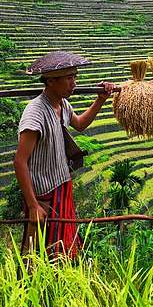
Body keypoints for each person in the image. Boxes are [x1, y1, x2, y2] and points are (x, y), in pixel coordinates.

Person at [13, 51, 115, 257]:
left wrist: (100, 100)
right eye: (69, 78)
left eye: (75, 77)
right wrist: (33, 205)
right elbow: (19, 161)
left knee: (63, 250)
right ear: (51, 81)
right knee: (38, 253)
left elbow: (80, 124)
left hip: (61, 184)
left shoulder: (62, 104)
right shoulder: (35, 113)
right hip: (43, 194)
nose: (74, 84)